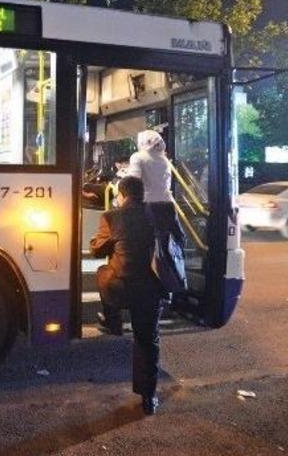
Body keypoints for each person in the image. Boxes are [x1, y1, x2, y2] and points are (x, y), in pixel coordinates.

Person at [90, 176, 165, 416]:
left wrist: (109, 242)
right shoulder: (157, 214)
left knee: (103, 272)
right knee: (147, 340)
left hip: (120, 289)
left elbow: (96, 250)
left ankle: (112, 320)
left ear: (121, 195)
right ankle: (148, 398)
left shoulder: (113, 216)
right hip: (150, 289)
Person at [127, 129, 185, 246]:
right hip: (167, 204)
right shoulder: (164, 160)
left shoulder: (138, 157)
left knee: (147, 242)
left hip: (147, 204)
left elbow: (133, 181)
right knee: (164, 242)